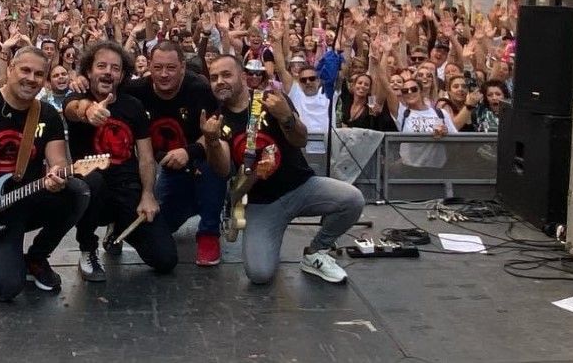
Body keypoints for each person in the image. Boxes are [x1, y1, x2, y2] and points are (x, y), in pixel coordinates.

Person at [0, 47, 89, 300]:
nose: (31, 78)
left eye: (38, 74)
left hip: (24, 199)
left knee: (78, 190)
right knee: (7, 289)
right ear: (10, 69)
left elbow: (57, 160)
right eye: (25, 70)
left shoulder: (46, 115)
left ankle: (36, 258)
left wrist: (57, 174)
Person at [209, 55, 364, 285]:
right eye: (213, 77)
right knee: (259, 274)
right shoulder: (217, 119)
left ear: (243, 77)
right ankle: (271, 238)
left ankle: (316, 252)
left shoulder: (272, 100)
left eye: (226, 75)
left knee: (353, 199)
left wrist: (286, 117)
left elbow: (300, 140)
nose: (219, 81)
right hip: (262, 204)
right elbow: (223, 171)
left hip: (301, 187)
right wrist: (211, 140)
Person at [64, 41, 176, 281]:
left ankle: (116, 229)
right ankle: (87, 249)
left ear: (123, 75)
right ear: (88, 71)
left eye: (115, 68)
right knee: (91, 183)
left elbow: (146, 157)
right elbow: (73, 109)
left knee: (165, 260)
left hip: (128, 190)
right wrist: (87, 111)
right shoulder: (76, 96)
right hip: (92, 190)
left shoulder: (132, 105)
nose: (108, 72)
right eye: (101, 66)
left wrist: (148, 194)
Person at [124, 42, 230, 266]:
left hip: (201, 159)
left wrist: (189, 151)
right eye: (158, 67)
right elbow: (100, 91)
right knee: (161, 225)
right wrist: (80, 86)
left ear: (182, 67)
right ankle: (194, 204)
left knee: (213, 157)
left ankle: (209, 233)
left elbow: (213, 129)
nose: (164, 74)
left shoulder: (200, 89)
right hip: (170, 169)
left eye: (171, 68)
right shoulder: (135, 90)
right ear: (149, 66)